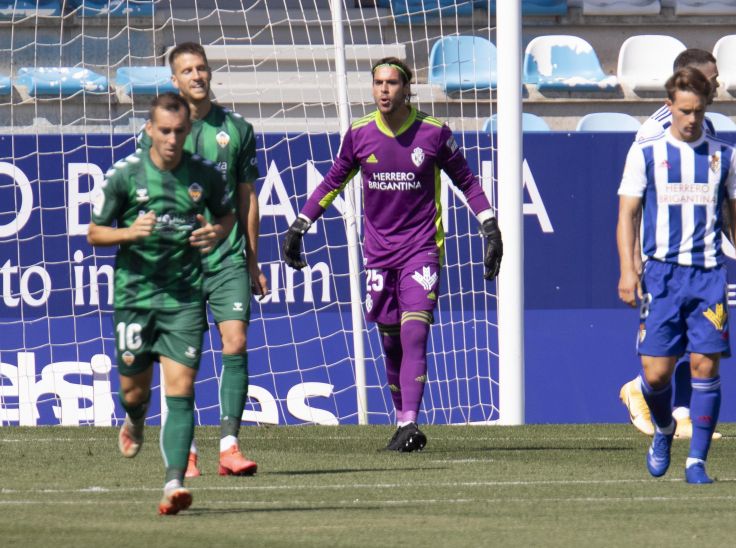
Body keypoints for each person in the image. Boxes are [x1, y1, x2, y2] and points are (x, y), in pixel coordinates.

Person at [281, 57, 502, 451]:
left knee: (415, 330)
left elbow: (467, 182)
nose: (383, 90)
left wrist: (489, 225)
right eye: (378, 83)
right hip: (378, 255)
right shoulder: (360, 133)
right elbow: (333, 181)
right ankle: (403, 424)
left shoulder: (433, 133)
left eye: (392, 83)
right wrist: (300, 224)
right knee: (390, 342)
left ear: (407, 89)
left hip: (421, 250)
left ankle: (411, 422)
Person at [88, 92, 235, 513]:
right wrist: (129, 233)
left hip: (185, 298)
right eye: (164, 131)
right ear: (149, 129)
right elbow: (95, 233)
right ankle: (134, 419)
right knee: (134, 391)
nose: (172, 139)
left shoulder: (204, 175)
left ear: (189, 131)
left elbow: (225, 216)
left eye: (179, 131)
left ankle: (173, 483)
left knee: (182, 389)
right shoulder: (124, 175)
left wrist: (217, 233)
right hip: (135, 298)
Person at [616, 67, 736, 483]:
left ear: (706, 107)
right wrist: (629, 268)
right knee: (657, 374)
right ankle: (663, 430)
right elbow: (627, 214)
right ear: (670, 106)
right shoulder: (646, 153)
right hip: (661, 276)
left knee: (704, 367)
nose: (691, 119)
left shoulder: (725, 156)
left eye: (698, 110)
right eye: (683, 110)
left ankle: (697, 461)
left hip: (709, 275)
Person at [140, 42, 264, 477]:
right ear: (174, 80)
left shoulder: (237, 129)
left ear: (210, 73)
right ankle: (187, 450)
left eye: (202, 68)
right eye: (187, 70)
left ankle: (229, 446)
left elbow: (248, 196)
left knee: (237, 342)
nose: (196, 75)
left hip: (228, 258)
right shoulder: (159, 130)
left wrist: (252, 259)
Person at [619, 49, 727, 439]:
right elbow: (635, 205)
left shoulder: (706, 127)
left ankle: (680, 412)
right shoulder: (652, 133)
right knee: (672, 339)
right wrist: (633, 264)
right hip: (660, 254)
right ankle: (641, 390)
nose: (719, 83)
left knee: (698, 336)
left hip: (699, 254)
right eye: (713, 76)